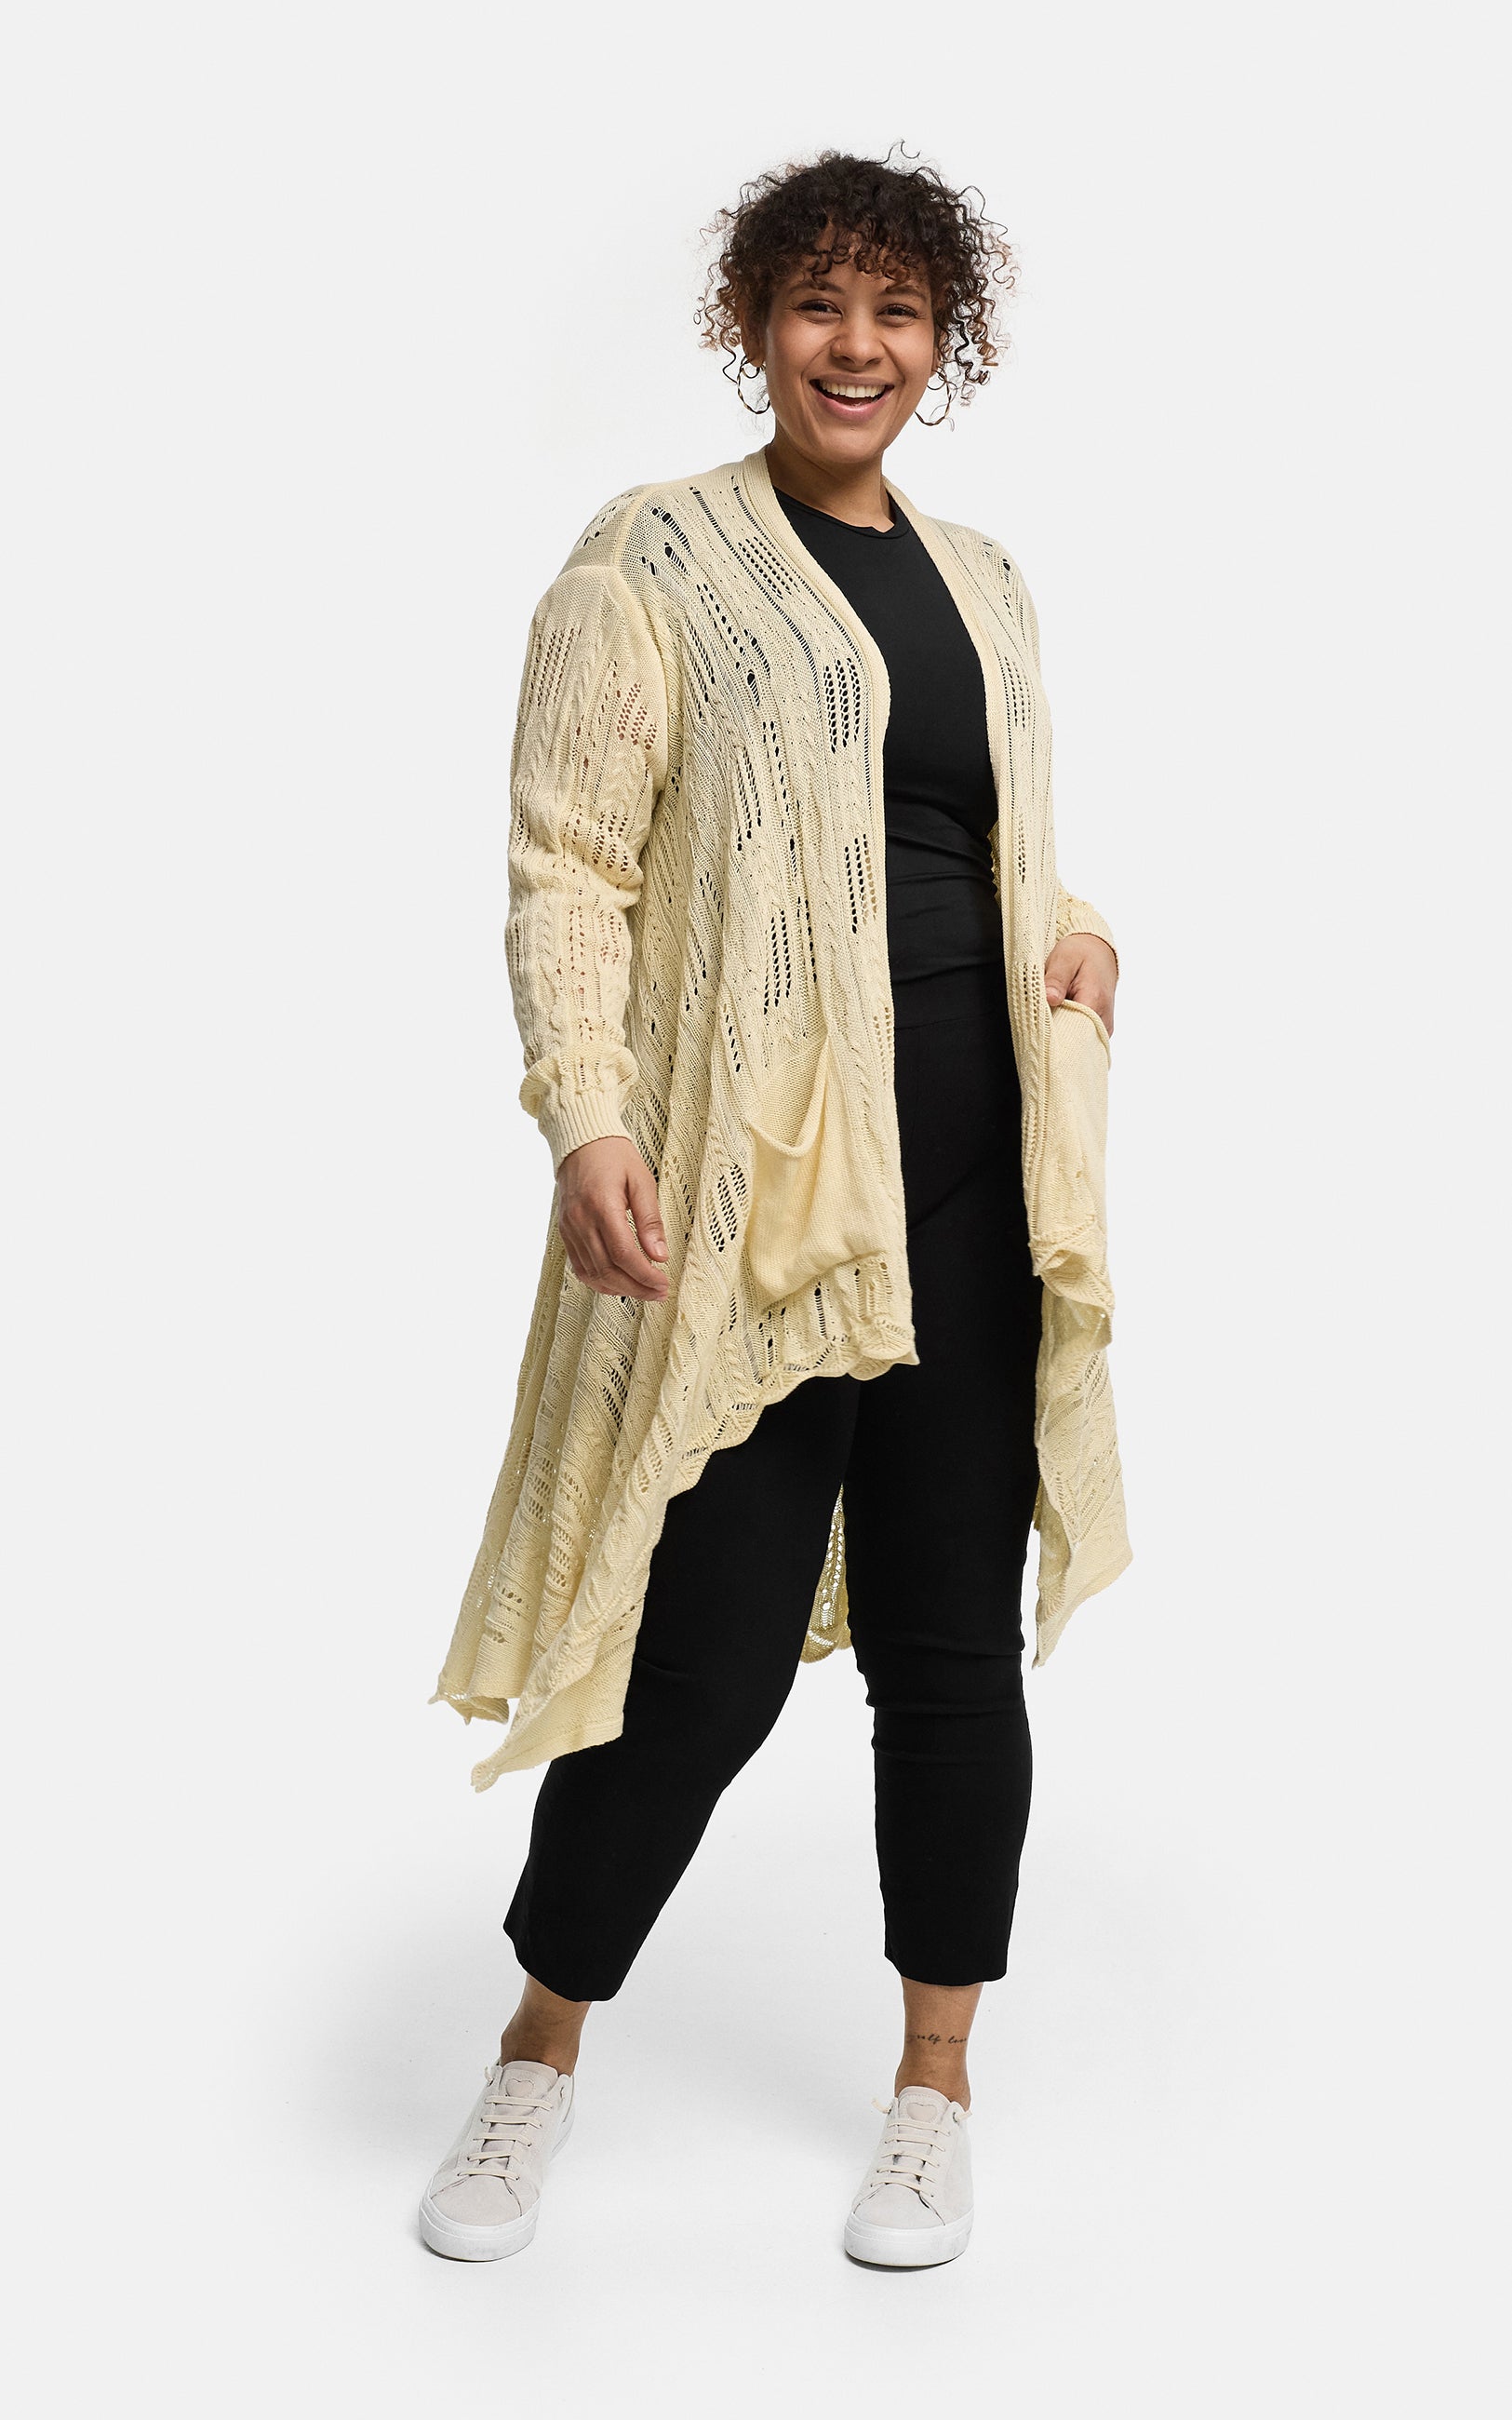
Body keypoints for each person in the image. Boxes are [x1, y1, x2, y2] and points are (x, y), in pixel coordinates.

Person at [421, 147, 1131, 2267]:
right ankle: (536, 2049)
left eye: (899, 311)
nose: (857, 345)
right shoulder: (652, 560)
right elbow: (571, 861)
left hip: (979, 1181)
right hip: (760, 1207)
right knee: (697, 1661)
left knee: (949, 1651)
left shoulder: (985, 581)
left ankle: (934, 2087)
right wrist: (586, 1113)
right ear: (754, 326)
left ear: (944, 344)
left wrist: (1079, 931)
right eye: (819, 303)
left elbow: (966, 844)